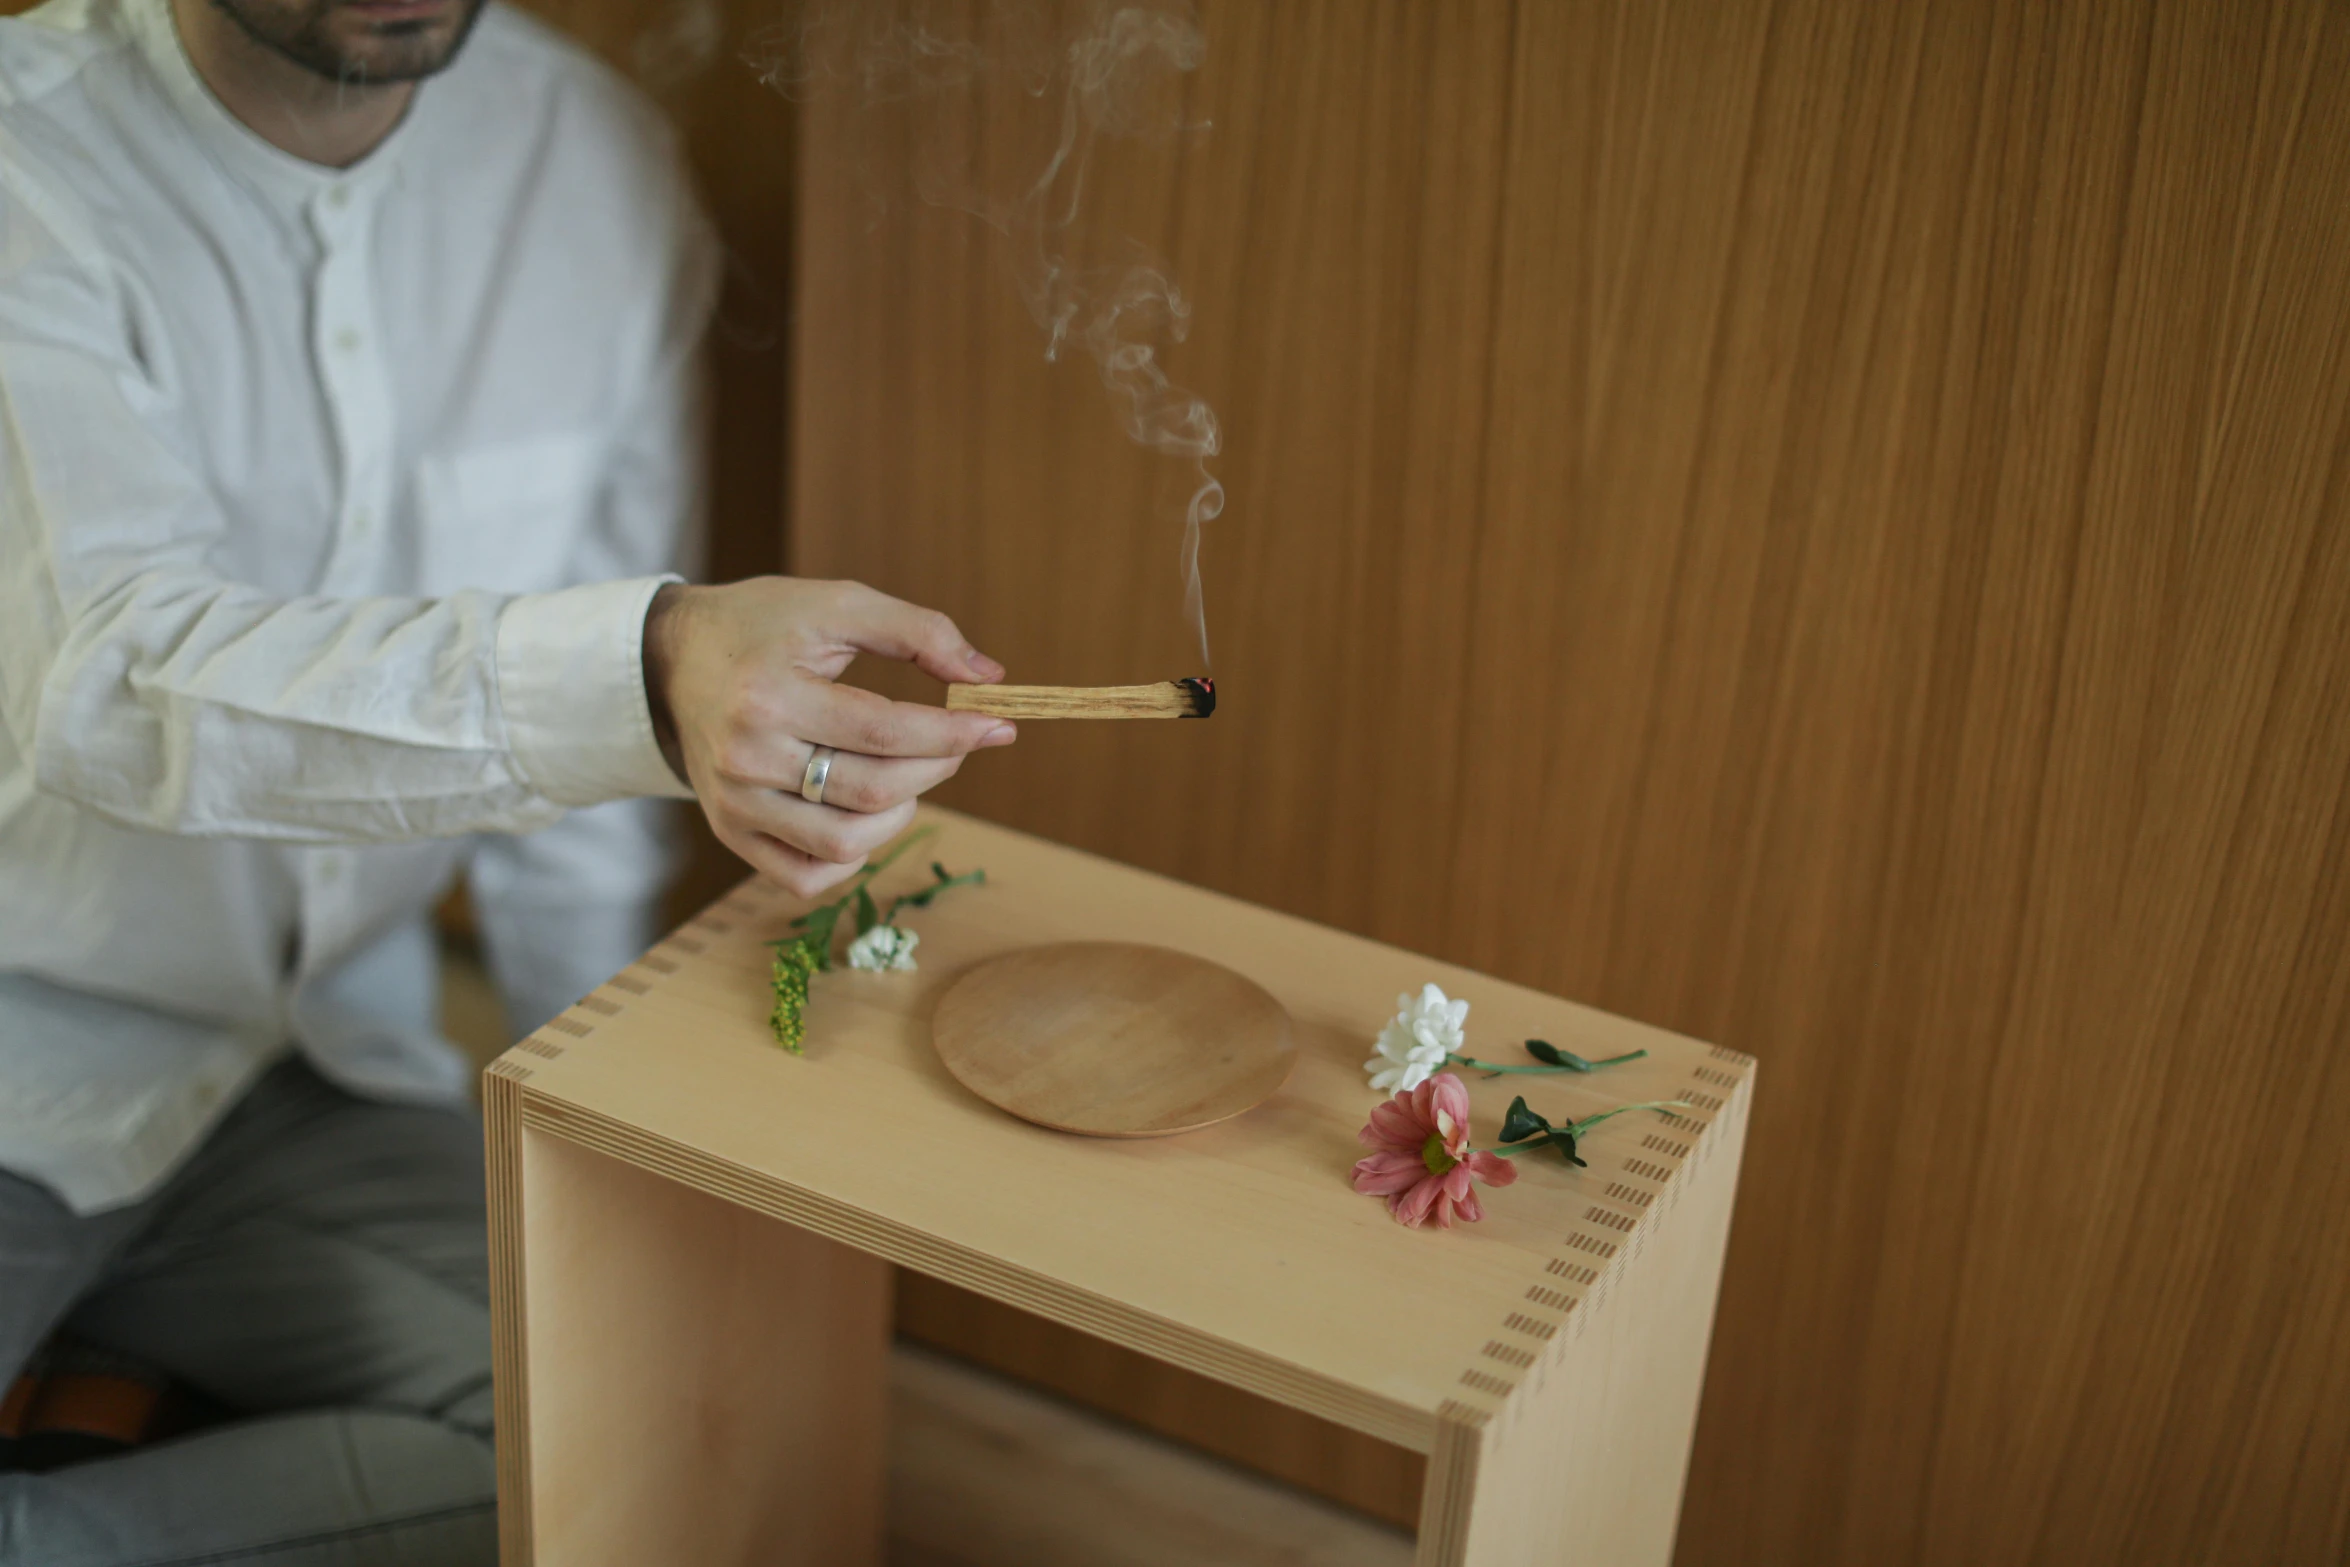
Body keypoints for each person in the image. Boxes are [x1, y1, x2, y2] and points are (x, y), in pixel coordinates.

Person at [0, 0, 1015, 1556]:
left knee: (671, 1429)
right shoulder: (27, 155)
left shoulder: (589, 162)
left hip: (309, 1075)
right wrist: (643, 670)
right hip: (26, 1059)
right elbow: (120, 685)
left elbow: (585, 819)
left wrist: (607, 1140)